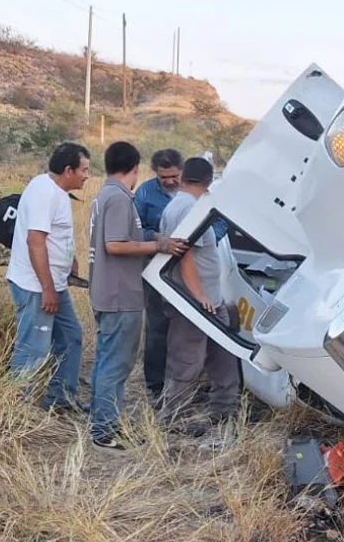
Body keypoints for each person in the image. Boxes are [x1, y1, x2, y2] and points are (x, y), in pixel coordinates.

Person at [87, 141, 188, 450]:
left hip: (108, 291)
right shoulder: (118, 198)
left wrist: (154, 239)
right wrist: (159, 246)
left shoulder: (106, 195)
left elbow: (121, 238)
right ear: (136, 168)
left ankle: (106, 418)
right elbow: (115, 244)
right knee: (116, 364)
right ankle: (104, 431)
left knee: (107, 360)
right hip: (120, 294)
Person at [158, 157, 240, 437]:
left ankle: (226, 409)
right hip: (193, 304)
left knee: (224, 356)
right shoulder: (186, 208)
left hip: (209, 301)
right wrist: (198, 296)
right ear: (208, 182)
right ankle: (172, 418)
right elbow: (185, 255)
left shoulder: (189, 205)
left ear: (183, 177)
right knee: (187, 361)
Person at [6, 142, 90, 413]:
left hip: (53, 282)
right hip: (36, 286)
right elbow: (35, 241)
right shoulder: (45, 192)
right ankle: (18, 412)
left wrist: (70, 259)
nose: (87, 175)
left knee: (71, 336)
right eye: (84, 170)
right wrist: (47, 289)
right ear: (68, 170)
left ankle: (61, 399)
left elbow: (56, 235)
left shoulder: (56, 190)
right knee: (34, 348)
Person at [134, 148, 184, 405]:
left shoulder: (194, 191)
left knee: (187, 328)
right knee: (156, 327)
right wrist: (157, 239)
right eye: (164, 177)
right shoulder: (144, 193)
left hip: (191, 269)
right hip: (157, 268)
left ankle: (184, 381)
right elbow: (135, 229)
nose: (170, 181)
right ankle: (155, 384)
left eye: (174, 176)